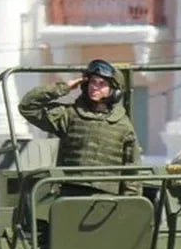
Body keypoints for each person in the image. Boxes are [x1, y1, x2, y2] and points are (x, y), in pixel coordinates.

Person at [18, 59, 141, 195]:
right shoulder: (69, 115)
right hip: (70, 192)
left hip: (107, 198)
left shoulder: (123, 125)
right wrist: (64, 87)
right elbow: (27, 106)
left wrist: (130, 202)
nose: (95, 87)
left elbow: (132, 169)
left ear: (114, 91)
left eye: (102, 84)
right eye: (92, 82)